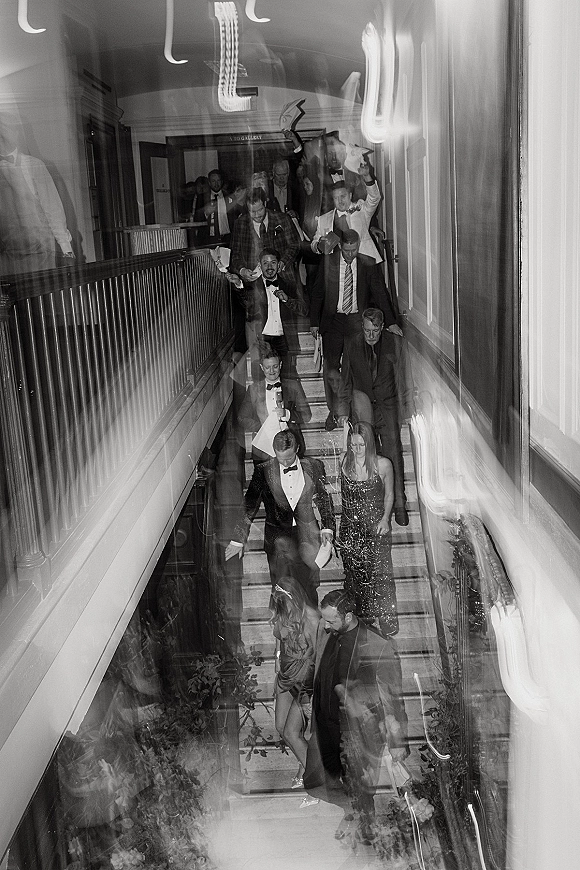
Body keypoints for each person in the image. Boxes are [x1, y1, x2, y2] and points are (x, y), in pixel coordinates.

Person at [303, 589, 409, 844]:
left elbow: (390, 693)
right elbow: (317, 665)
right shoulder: (331, 634)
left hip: (356, 728)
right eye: (325, 620)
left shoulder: (374, 643)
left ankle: (365, 838)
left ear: (348, 615)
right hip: (327, 723)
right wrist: (308, 696)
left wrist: (396, 740)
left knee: (360, 785)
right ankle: (356, 817)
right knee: (319, 780)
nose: (326, 626)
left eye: (331, 620)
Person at [225, 429, 335, 608]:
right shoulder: (263, 470)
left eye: (288, 459)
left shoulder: (314, 466)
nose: (284, 463)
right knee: (281, 591)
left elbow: (323, 498)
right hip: (277, 539)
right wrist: (238, 539)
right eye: (280, 458)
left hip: (306, 537)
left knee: (308, 590)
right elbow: (249, 504)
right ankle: (284, 633)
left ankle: (309, 632)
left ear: (297, 449)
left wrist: (327, 528)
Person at [310, 229, 400, 431]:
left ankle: (353, 410)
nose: (351, 255)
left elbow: (380, 293)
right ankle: (334, 412)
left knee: (354, 368)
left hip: (356, 321)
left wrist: (392, 322)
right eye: (347, 250)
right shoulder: (328, 262)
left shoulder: (367, 263)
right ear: (340, 245)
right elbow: (317, 293)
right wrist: (314, 322)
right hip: (333, 321)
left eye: (354, 250)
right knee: (331, 367)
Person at [337, 307, 414, 526]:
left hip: (388, 409)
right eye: (367, 330)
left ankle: (399, 504)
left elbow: (404, 378)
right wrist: (343, 409)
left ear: (382, 327)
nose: (371, 335)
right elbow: (346, 379)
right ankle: (372, 504)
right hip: (362, 409)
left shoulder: (397, 343)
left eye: (375, 330)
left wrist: (407, 409)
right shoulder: (352, 342)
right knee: (366, 456)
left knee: (393, 456)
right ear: (362, 326)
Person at [338, 421, 398, 636]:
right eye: (353, 445)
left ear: (370, 443)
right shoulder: (345, 462)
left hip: (375, 528)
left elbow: (389, 495)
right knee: (355, 577)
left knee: (380, 575)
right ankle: (362, 621)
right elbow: (345, 497)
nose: (357, 449)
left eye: (361, 445)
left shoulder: (383, 465)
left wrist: (385, 519)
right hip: (350, 528)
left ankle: (387, 621)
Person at [0, 116, 74, 275]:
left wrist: (66, 249)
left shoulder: (34, 166)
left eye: (6, 128)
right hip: (6, 258)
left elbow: (53, 209)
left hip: (40, 255)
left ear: (16, 133)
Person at [270, 576, 320, 788]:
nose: (280, 607)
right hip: (286, 676)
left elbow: (320, 656)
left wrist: (310, 694)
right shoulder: (280, 611)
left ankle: (316, 779)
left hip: (305, 680)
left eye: (283, 601)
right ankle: (305, 765)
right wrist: (277, 663)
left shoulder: (311, 618)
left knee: (292, 732)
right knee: (281, 727)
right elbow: (279, 643)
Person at [237, 247, 307, 379]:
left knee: (287, 379)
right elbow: (247, 304)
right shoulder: (253, 287)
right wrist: (240, 286)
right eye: (265, 263)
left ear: (279, 264)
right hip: (261, 340)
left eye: (273, 262)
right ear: (260, 265)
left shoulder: (290, 285)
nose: (269, 267)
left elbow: (304, 310)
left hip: (284, 340)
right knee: (259, 380)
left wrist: (287, 300)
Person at [238, 350, 311, 464]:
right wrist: (262, 428)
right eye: (267, 367)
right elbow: (242, 418)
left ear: (280, 365)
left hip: (289, 447)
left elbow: (306, 415)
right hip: (263, 449)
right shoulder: (253, 389)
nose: (271, 371)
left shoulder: (293, 385)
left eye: (275, 366)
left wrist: (287, 414)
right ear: (262, 367)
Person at [310, 159, 381, 263]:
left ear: (350, 195)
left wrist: (367, 176)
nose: (340, 200)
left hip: (364, 264)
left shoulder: (361, 209)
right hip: (336, 268)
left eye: (343, 196)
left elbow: (374, 198)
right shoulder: (323, 219)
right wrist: (319, 246)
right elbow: (314, 243)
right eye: (336, 198)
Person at [229, 186, 300, 283]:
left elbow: (294, 245)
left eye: (260, 210)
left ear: (265, 203)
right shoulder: (240, 224)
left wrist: (283, 262)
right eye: (252, 211)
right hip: (254, 282)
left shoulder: (282, 219)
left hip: (284, 279)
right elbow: (234, 254)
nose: (257, 215)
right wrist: (242, 270)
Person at [202, 168, 237, 244]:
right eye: (213, 181)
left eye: (218, 181)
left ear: (222, 181)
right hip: (209, 239)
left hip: (227, 238)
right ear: (209, 182)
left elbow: (235, 217)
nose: (216, 184)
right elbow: (196, 219)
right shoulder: (202, 198)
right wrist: (206, 213)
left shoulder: (229, 196)